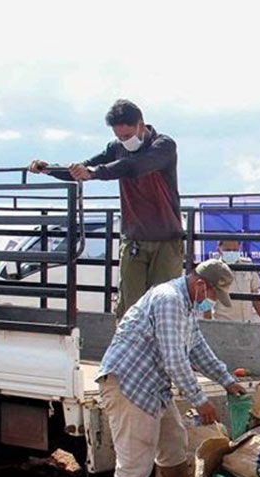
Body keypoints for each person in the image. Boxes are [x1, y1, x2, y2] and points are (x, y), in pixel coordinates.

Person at [96, 260, 247, 477]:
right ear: (200, 284)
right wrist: (200, 401)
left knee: (174, 443)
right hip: (129, 384)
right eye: (212, 294)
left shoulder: (187, 306)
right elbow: (175, 359)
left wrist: (227, 380)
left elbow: (198, 348)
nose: (212, 301)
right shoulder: (169, 299)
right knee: (135, 461)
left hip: (155, 387)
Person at [29, 99, 183, 317]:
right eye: (119, 137)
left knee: (166, 306)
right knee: (129, 307)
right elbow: (82, 169)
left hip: (166, 239)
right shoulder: (116, 148)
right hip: (133, 239)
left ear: (141, 125)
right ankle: (126, 348)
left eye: (127, 136)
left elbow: (135, 167)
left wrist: (94, 172)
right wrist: (49, 169)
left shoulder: (163, 145)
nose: (124, 141)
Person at [204, 239, 260, 323]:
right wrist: (206, 328)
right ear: (219, 250)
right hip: (223, 325)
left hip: (247, 325)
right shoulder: (213, 270)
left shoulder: (247, 265)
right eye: (228, 250)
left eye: (235, 250)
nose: (232, 253)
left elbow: (255, 297)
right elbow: (207, 303)